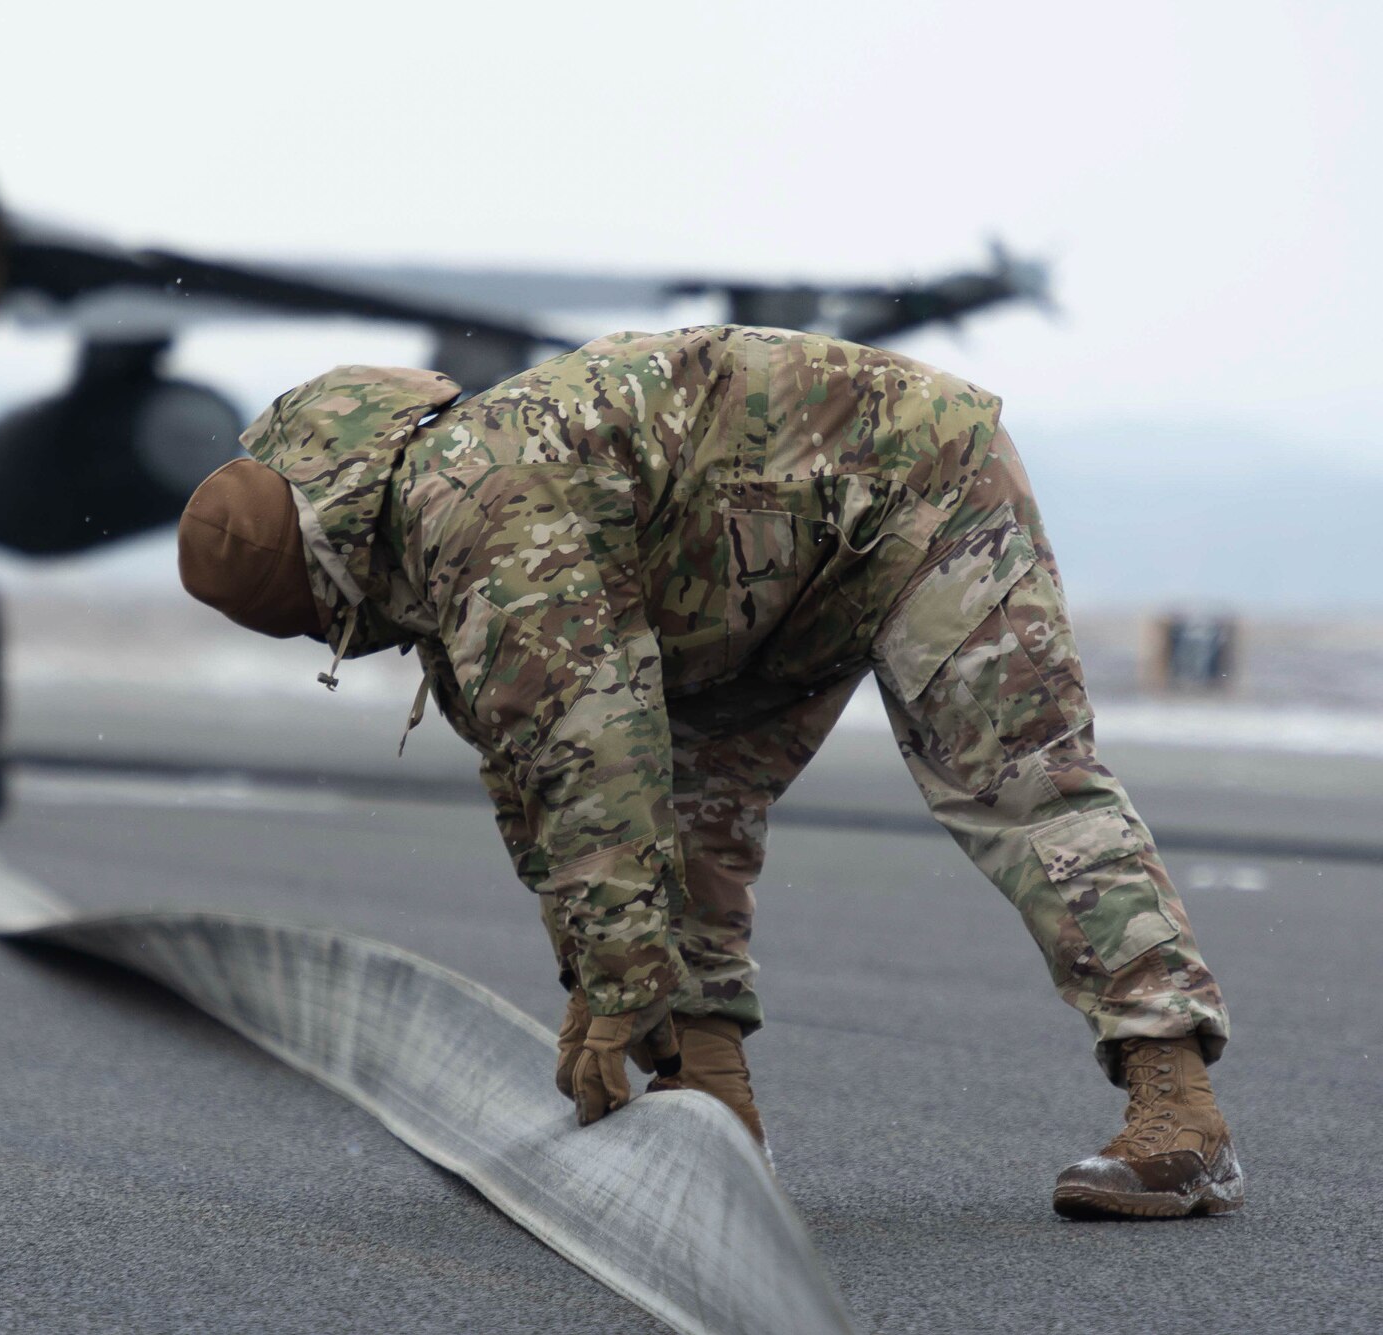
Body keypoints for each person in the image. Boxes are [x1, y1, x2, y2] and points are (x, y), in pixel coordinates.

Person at [176, 326, 1239, 1221]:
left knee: (1016, 786)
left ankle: (1178, 1113)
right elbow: (535, 786)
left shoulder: (487, 513)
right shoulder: (434, 537)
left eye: (326, 624)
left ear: (328, 572)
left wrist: (610, 993)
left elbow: (591, 765)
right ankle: (714, 1119)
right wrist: (589, 979)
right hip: (761, 576)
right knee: (681, 826)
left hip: (914, 491)